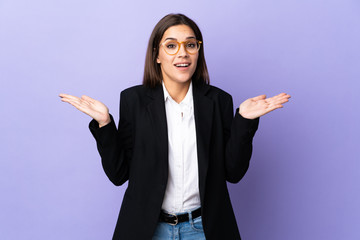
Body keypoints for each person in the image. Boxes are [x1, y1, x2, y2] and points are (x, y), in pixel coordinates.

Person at [59, 13, 290, 240]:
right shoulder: (134, 101)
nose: (183, 53)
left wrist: (244, 121)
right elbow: (119, 174)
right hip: (149, 229)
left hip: (203, 229)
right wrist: (105, 124)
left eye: (191, 45)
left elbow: (233, 172)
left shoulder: (219, 101)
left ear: (198, 51)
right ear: (156, 55)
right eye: (171, 46)